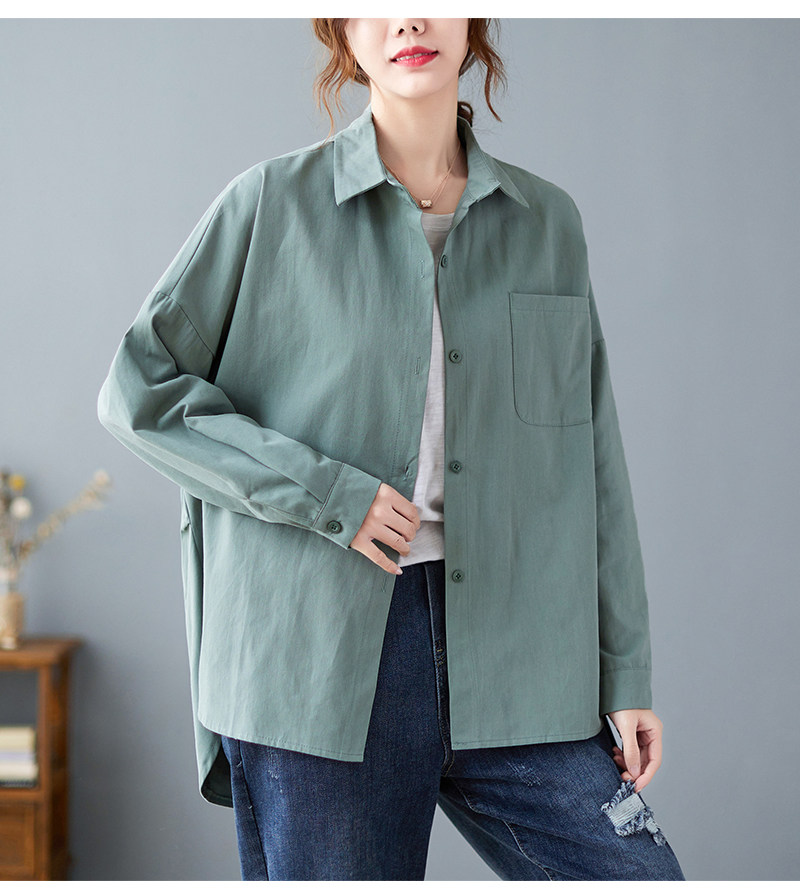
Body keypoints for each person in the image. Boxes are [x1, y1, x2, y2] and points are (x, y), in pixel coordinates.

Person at [97, 17, 687, 881]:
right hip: (320, 663)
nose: (409, 18)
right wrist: (327, 494)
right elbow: (138, 389)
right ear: (342, 29)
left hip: (524, 652)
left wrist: (624, 670)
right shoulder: (270, 204)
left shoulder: (547, 222)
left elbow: (593, 459)